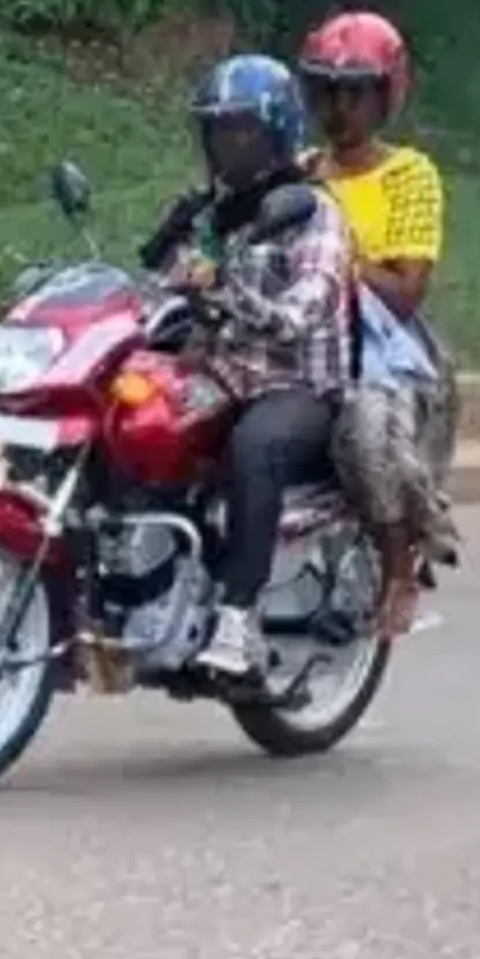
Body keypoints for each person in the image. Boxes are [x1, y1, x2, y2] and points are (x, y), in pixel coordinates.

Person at [139, 56, 358, 684]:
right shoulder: (207, 214)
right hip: (220, 375)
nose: (227, 146)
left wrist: (241, 300)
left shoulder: (313, 213)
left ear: (277, 134)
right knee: (138, 422)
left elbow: (308, 306)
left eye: (242, 131)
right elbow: (160, 282)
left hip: (299, 386)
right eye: (217, 132)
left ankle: (237, 620)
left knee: (255, 445)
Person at [300, 9, 455, 639]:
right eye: (327, 91)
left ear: (385, 94)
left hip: (382, 353)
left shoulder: (409, 174)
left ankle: (399, 565)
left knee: (366, 427)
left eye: (354, 93)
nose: (339, 108)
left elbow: (405, 292)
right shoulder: (300, 169)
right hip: (299, 340)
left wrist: (332, 259)